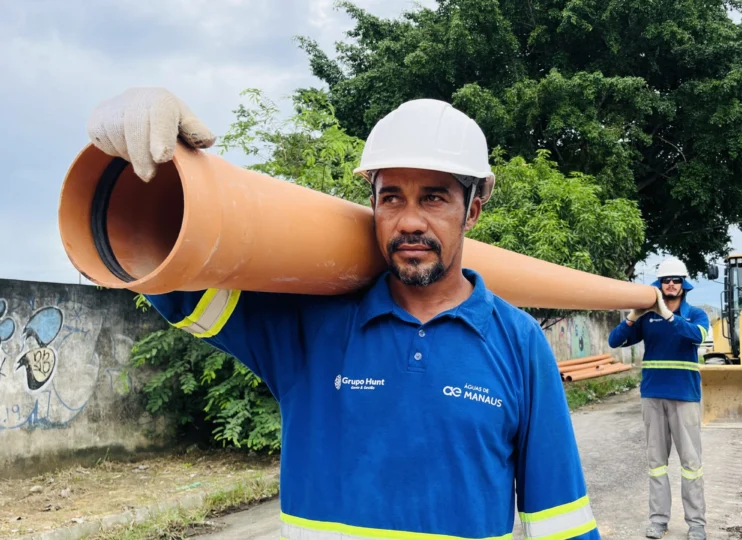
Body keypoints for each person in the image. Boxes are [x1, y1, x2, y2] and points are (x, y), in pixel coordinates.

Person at [86, 88, 600, 540]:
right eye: (391, 197)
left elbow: (562, 523)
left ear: (472, 211)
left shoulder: (519, 342)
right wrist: (143, 164)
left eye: (435, 198)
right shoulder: (312, 329)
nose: (411, 221)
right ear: (372, 204)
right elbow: (174, 281)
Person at [606, 258, 709, 540]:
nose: (671, 284)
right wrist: (632, 317)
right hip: (653, 396)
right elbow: (614, 341)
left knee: (691, 465)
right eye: (666, 280)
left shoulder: (695, 315)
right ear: (659, 285)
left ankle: (697, 523)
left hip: (685, 397)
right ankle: (658, 520)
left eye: (675, 280)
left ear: (683, 284)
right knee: (656, 463)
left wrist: (667, 315)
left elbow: (697, 336)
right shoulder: (647, 318)